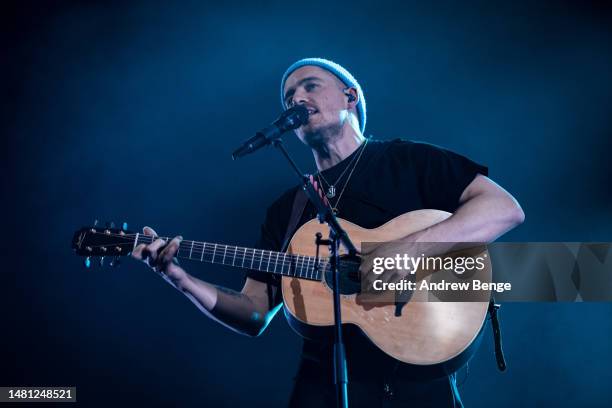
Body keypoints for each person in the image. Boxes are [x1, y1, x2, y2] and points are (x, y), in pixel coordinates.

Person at [132, 58, 525, 407]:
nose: (296, 99)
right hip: (321, 385)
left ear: (350, 96)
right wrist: (180, 279)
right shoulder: (288, 209)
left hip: (421, 378)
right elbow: (254, 311)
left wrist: (406, 250)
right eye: (288, 97)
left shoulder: (408, 160)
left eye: (310, 85)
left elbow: (503, 209)